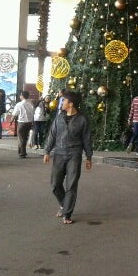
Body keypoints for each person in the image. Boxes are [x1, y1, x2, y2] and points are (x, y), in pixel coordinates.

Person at [43, 91, 92, 225]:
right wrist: (47, 151)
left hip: (74, 155)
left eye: (64, 100)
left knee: (71, 185)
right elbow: (52, 135)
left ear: (71, 103)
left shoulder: (82, 119)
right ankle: (64, 204)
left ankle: (67, 214)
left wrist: (89, 156)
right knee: (55, 184)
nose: (62, 102)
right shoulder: (59, 117)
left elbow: (87, 138)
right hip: (59, 153)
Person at [12, 90, 35, 159]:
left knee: (21, 138)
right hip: (29, 123)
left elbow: (15, 114)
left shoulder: (19, 104)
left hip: (22, 123)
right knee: (25, 138)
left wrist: (11, 121)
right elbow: (33, 112)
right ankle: (24, 152)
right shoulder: (31, 103)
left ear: (22, 96)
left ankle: (22, 153)